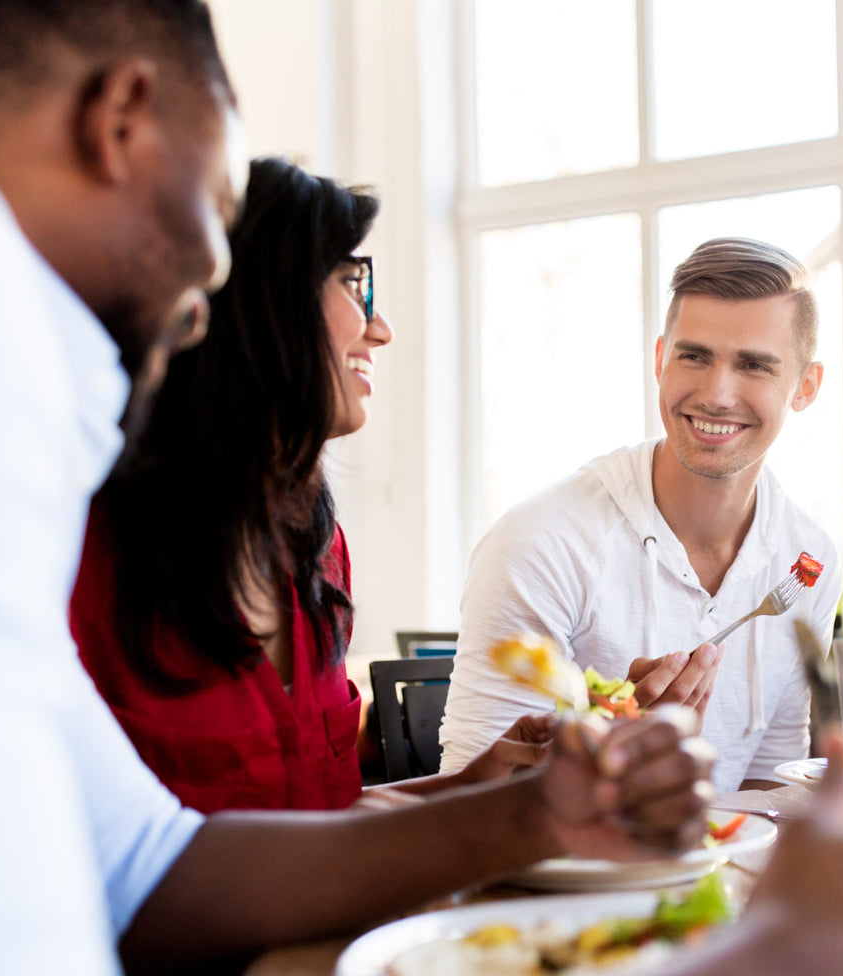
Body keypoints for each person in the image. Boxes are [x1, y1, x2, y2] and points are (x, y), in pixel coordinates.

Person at [0, 4, 843, 976]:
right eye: (224, 196)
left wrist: (531, 807)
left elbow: (141, 869)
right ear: (122, 122)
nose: (210, 277)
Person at [72, 156, 541, 813]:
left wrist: (484, 789)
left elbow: (323, 819)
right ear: (264, 303)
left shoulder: (317, 552)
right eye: (354, 284)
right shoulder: (87, 559)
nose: (381, 329)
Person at [438, 237, 843, 793]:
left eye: (754, 365)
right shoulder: (542, 543)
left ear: (805, 387)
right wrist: (606, 758)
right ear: (660, 359)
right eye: (694, 355)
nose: (717, 393)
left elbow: (767, 783)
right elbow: (467, 801)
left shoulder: (809, 559)